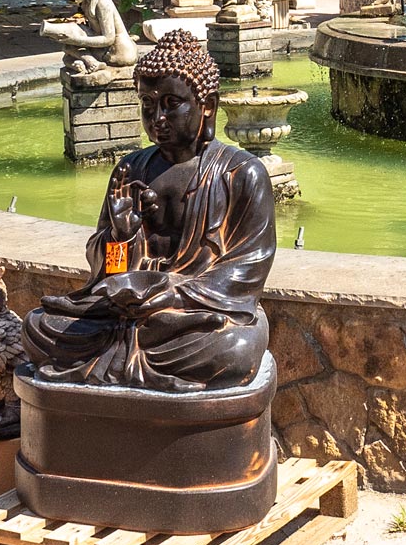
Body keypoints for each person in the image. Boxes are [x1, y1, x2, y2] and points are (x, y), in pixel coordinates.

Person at [21, 30, 276, 391]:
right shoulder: (130, 170)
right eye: (147, 104)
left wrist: (172, 293)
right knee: (38, 326)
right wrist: (120, 236)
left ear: (209, 105)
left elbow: (248, 269)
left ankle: (120, 360)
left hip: (195, 316)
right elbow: (108, 271)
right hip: (126, 313)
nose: (157, 117)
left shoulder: (241, 173)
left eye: (172, 103)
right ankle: (127, 355)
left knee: (235, 348)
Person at [39, 0, 142, 70]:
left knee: (69, 48)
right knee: (68, 52)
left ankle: (89, 61)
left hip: (118, 51)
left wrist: (76, 39)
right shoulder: (87, 1)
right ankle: (85, 63)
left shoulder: (102, 2)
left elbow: (109, 39)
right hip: (105, 47)